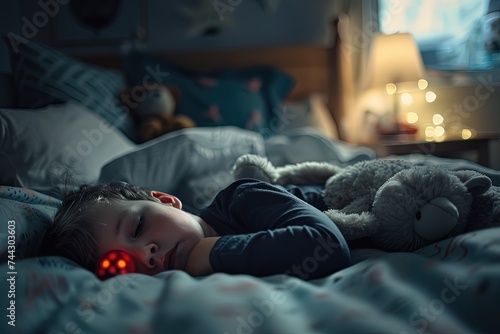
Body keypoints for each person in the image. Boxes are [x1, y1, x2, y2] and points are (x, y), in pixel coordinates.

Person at [41, 179, 350, 280]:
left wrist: (213, 252)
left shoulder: (241, 199)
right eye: (121, 264)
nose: (146, 255)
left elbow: (327, 245)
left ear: (165, 200)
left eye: (138, 226)